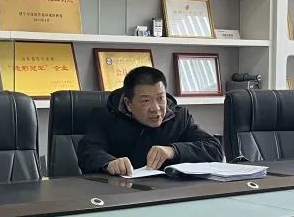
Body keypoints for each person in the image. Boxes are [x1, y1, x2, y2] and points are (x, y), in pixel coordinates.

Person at [78, 66, 223, 176]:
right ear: (128, 104)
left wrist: (173, 151)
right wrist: (108, 163)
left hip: (167, 192)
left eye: (160, 98)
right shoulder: (105, 117)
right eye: (146, 101)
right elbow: (88, 151)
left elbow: (214, 149)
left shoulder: (179, 117)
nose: (156, 108)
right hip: (120, 193)